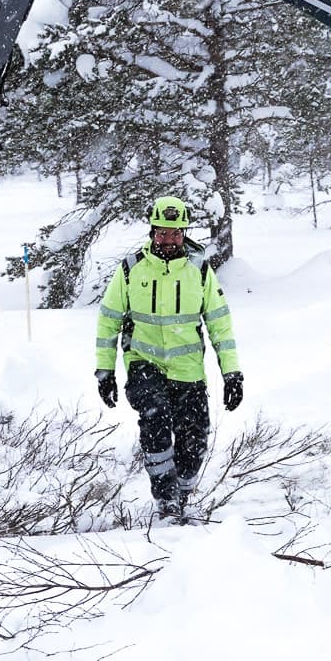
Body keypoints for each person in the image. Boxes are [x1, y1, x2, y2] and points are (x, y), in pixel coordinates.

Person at [95, 195, 243, 522]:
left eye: (175, 233)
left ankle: (183, 491)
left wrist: (232, 373)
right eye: (162, 232)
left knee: (195, 440)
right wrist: (104, 371)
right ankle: (166, 499)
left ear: (185, 233)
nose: (168, 239)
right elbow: (108, 320)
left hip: (188, 372)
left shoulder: (200, 271)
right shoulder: (131, 269)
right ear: (152, 231)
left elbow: (220, 325)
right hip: (143, 365)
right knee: (156, 421)